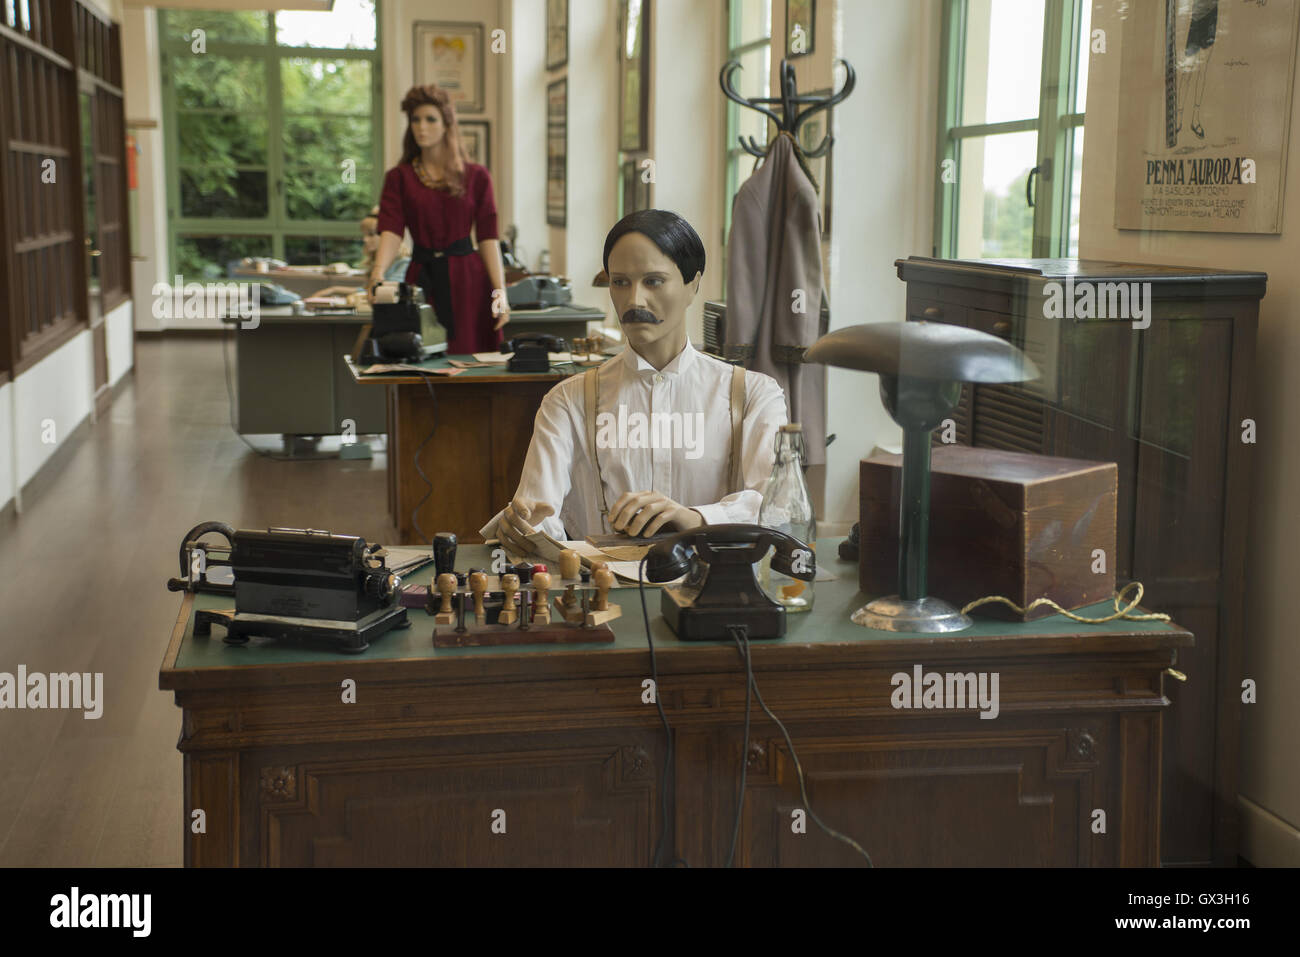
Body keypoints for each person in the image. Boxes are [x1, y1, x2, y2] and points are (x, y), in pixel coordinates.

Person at [481, 209, 788, 553]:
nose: (634, 300)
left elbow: (779, 509)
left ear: (693, 285)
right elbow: (538, 514)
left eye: (653, 281)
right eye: (620, 282)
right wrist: (522, 528)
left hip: (714, 593)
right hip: (603, 595)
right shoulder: (567, 401)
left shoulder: (753, 395)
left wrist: (693, 518)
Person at [369, 84, 509, 353]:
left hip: (470, 283)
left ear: (447, 124)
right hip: (421, 279)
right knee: (419, 357)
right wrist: (378, 273)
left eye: (430, 119)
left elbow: (488, 236)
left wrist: (500, 291)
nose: (421, 127)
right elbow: (392, 229)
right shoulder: (399, 178)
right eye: (415, 120)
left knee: (473, 360)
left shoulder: (476, 176)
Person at [315, 207, 410, 299]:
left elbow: (382, 292)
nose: (365, 240)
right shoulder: (375, 263)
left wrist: (335, 290)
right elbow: (366, 290)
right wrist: (334, 289)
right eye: (364, 235)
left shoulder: (403, 264)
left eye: (371, 234)